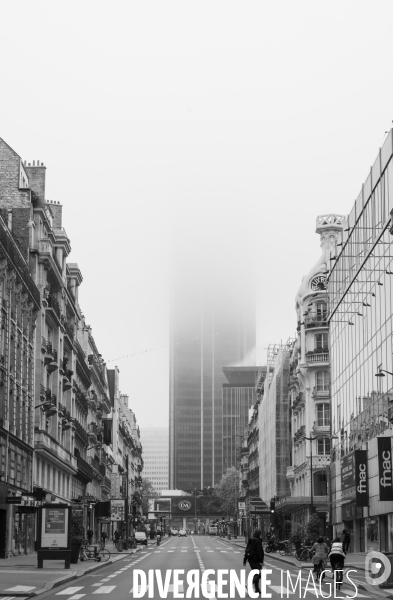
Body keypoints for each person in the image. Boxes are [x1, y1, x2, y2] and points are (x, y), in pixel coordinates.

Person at [243, 529, 265, 596]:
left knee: (256, 574)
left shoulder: (251, 540)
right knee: (260, 574)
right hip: (256, 560)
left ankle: (257, 589)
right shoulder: (258, 541)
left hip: (250, 560)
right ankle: (249, 584)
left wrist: (245, 559)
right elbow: (259, 552)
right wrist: (261, 561)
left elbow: (247, 550)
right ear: (259, 534)